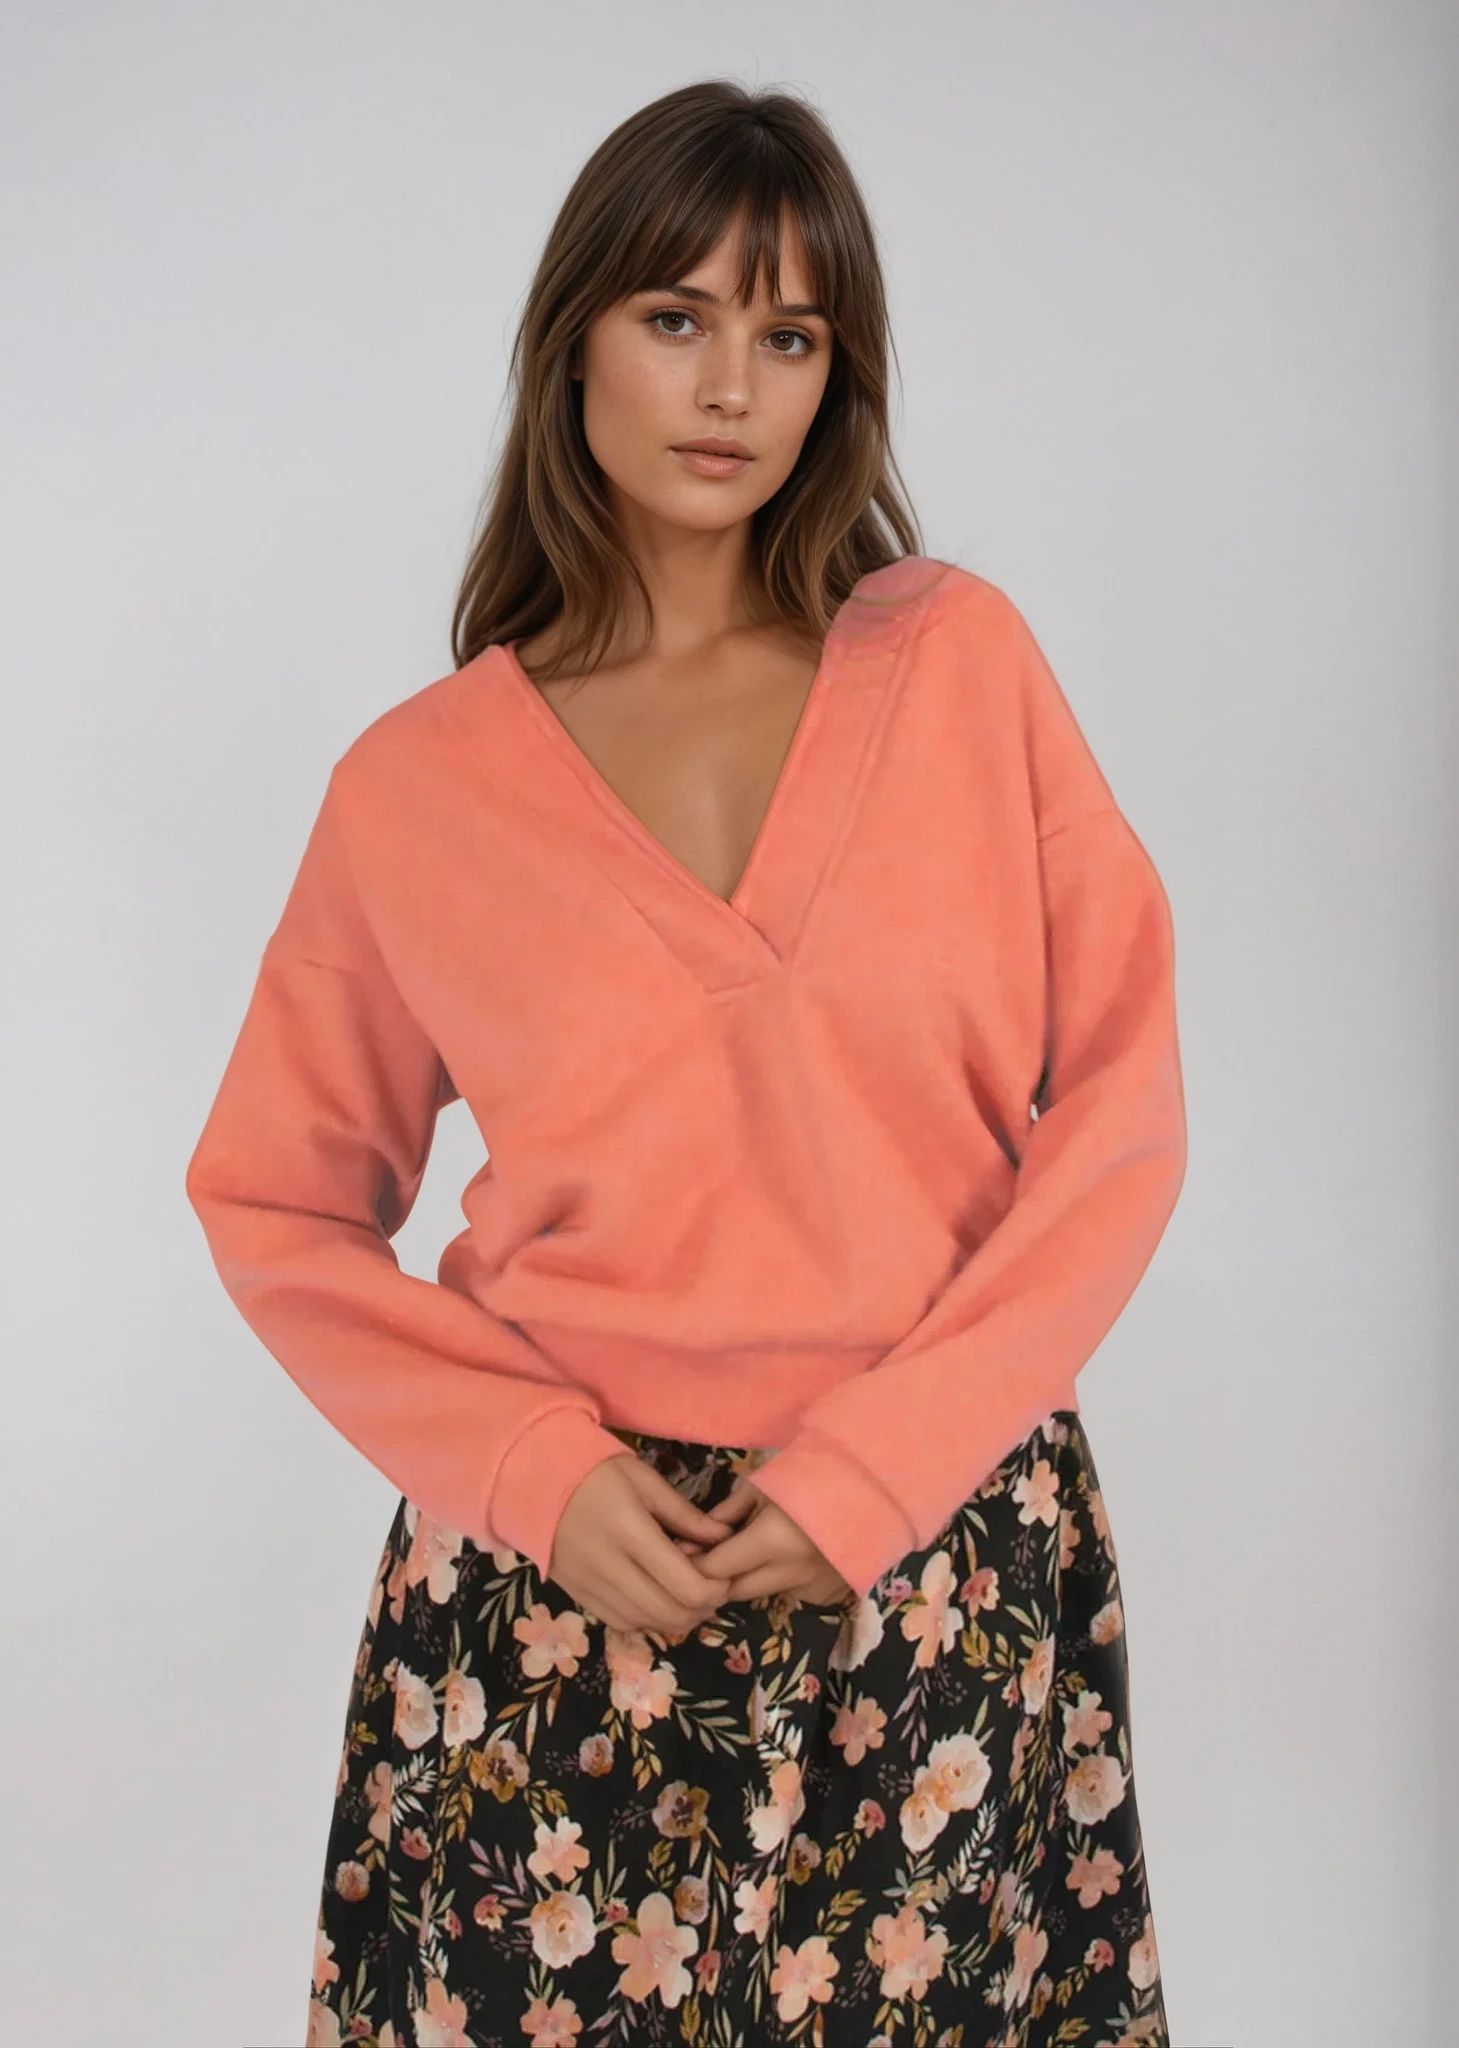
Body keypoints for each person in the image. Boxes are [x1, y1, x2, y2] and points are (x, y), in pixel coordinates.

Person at [185, 76, 1186, 2048]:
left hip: (939, 1570)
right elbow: (272, 1199)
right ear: (573, 340)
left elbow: (1122, 1112)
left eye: (789, 336)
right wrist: (535, 1475)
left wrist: (882, 1467)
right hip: (559, 1604)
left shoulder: (960, 666)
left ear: (837, 378)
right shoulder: (417, 789)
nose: (731, 384)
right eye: (677, 317)